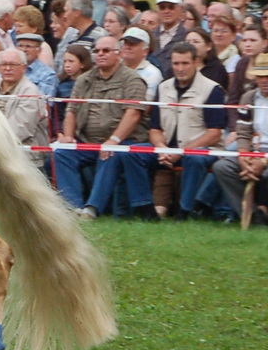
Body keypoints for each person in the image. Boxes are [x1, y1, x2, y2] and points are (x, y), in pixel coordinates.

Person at [54, 37, 151, 218]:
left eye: (106, 50)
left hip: (123, 141)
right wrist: (68, 136)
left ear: (119, 54)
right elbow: (71, 111)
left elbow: (133, 113)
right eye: (97, 51)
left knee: (111, 153)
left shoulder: (132, 79)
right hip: (87, 141)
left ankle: (92, 209)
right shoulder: (84, 79)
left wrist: (113, 140)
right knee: (62, 152)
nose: (100, 54)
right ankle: (72, 207)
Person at [210, 53, 268, 225]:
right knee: (222, 167)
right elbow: (243, 132)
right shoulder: (248, 98)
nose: (264, 81)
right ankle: (253, 215)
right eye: (260, 77)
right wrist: (244, 155)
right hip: (253, 151)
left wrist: (265, 162)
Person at [149, 43, 227, 218]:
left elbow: (215, 133)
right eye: (176, 64)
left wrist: (182, 152)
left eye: (185, 63)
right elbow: (155, 128)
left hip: (204, 150)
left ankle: (186, 210)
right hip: (167, 150)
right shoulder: (163, 87)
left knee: (194, 158)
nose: (180, 69)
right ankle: (143, 206)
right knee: (130, 155)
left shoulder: (212, 89)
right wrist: (162, 148)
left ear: (196, 62)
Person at [0, 49, 48, 169]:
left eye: (13, 64)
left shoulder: (30, 91)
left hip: (24, 154)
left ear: (24, 68)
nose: (8, 68)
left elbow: (20, 129)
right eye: (4, 64)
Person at [118, 28, 162, 99]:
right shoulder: (114, 68)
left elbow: (146, 106)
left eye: (133, 44)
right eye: (125, 43)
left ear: (145, 51)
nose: (128, 47)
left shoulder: (153, 74)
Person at [13, 32, 58, 96]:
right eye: (20, 46)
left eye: (28, 46)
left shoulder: (48, 75)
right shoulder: (8, 68)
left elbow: (43, 102)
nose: (23, 50)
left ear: (39, 51)